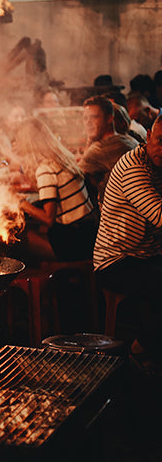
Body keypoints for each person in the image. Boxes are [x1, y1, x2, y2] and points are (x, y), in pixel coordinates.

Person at [94, 116, 162, 363]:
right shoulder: (134, 166)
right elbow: (159, 215)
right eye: (160, 141)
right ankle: (135, 352)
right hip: (116, 261)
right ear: (148, 138)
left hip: (147, 255)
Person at [15, 118, 96, 262]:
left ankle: (50, 281)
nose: (16, 144)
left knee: (17, 239)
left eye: (18, 140)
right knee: (31, 227)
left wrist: (22, 204)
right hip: (89, 231)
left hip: (76, 242)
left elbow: (48, 219)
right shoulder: (62, 158)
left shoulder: (45, 169)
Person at [79, 95, 138, 205]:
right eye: (85, 118)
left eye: (94, 117)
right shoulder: (125, 139)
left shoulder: (100, 149)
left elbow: (74, 175)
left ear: (109, 118)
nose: (88, 122)